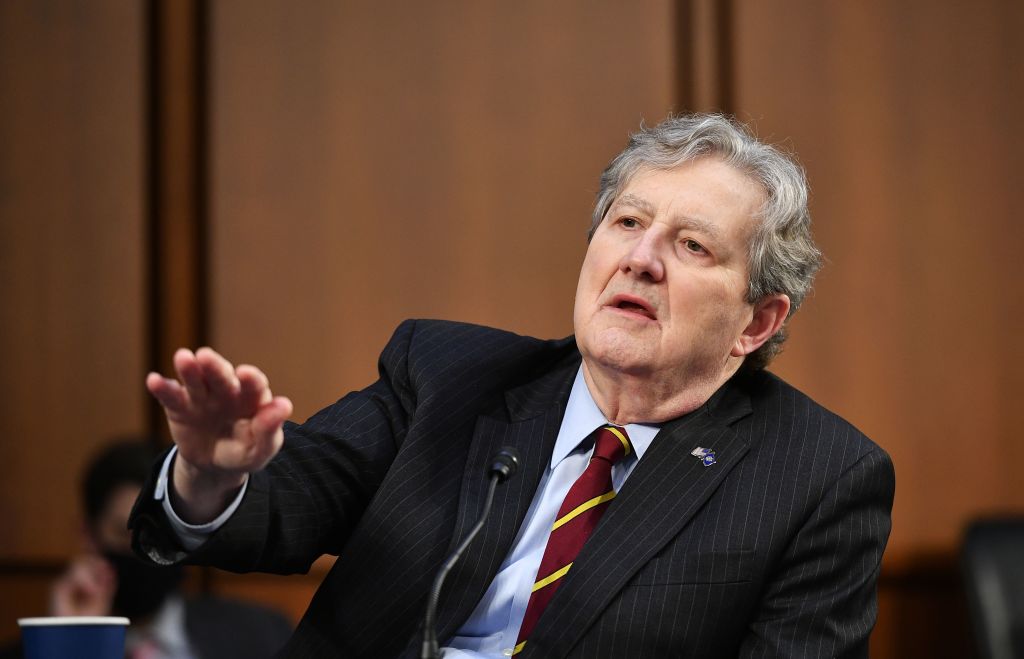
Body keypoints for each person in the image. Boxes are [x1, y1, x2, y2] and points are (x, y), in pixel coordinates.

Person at [130, 114, 895, 658]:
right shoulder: (448, 375)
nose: (641, 258)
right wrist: (211, 474)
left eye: (692, 244)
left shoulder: (818, 477)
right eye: (628, 222)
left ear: (756, 322)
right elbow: (288, 504)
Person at [44, 440, 293, 659]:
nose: (143, 549)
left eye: (160, 532)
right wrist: (75, 638)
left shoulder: (262, 634)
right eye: (124, 534)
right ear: (88, 535)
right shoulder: (45, 649)